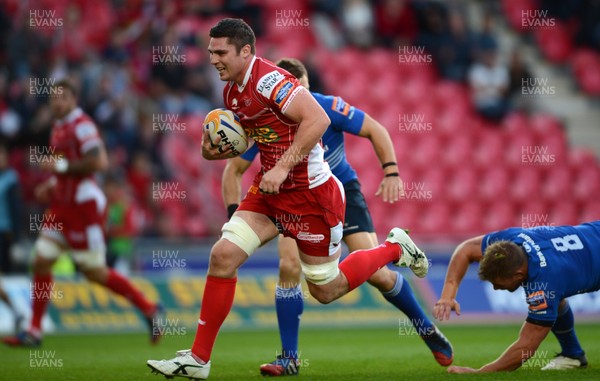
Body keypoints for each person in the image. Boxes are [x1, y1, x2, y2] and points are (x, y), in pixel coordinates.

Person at [147, 18, 429, 380]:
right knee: (222, 256)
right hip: (270, 195)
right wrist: (214, 149)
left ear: (245, 51)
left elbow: (318, 120)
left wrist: (281, 167)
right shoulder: (232, 91)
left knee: (325, 290)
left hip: (312, 196)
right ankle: (199, 359)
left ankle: (395, 248)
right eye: (210, 52)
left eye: (220, 52)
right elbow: (250, 140)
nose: (213, 59)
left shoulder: (270, 80)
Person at [223, 57, 453, 376]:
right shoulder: (268, 115)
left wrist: (391, 171)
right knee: (288, 266)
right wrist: (236, 217)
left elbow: (375, 129)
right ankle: (289, 358)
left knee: (377, 273)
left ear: (306, 87)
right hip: (295, 198)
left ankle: (426, 329)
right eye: (287, 90)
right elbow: (233, 169)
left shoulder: (324, 107)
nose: (294, 98)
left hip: (340, 189)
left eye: (299, 89)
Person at [2, 79, 164, 347]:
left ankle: (150, 308)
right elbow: (66, 169)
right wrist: (52, 183)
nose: (58, 102)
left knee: (94, 272)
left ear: (74, 100)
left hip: (84, 208)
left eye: (63, 97)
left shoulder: (82, 125)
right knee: (41, 261)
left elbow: (98, 162)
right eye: (54, 98)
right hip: (61, 207)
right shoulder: (58, 127)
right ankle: (34, 331)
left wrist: (61, 168)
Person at [433, 221, 600, 373]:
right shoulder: (510, 241)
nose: (496, 288)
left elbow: (527, 344)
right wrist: (447, 296)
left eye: (498, 283)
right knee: (555, 301)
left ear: (518, 275)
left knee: (551, 300)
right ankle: (573, 355)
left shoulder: (543, 283)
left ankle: (573, 354)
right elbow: (466, 249)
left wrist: (480, 372)